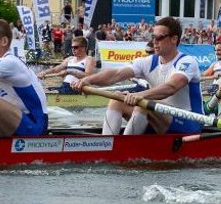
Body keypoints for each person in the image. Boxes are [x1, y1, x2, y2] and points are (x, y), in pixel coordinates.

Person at [72, 17, 202, 135]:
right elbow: (115, 75)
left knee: (143, 104)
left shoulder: (187, 62)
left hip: (189, 122)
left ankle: (124, 149)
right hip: (158, 119)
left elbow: (171, 87)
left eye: (160, 38)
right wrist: (87, 80)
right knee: (117, 100)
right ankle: (107, 143)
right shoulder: (149, 61)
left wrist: (140, 95)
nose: (155, 42)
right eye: (153, 37)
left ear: (174, 39)